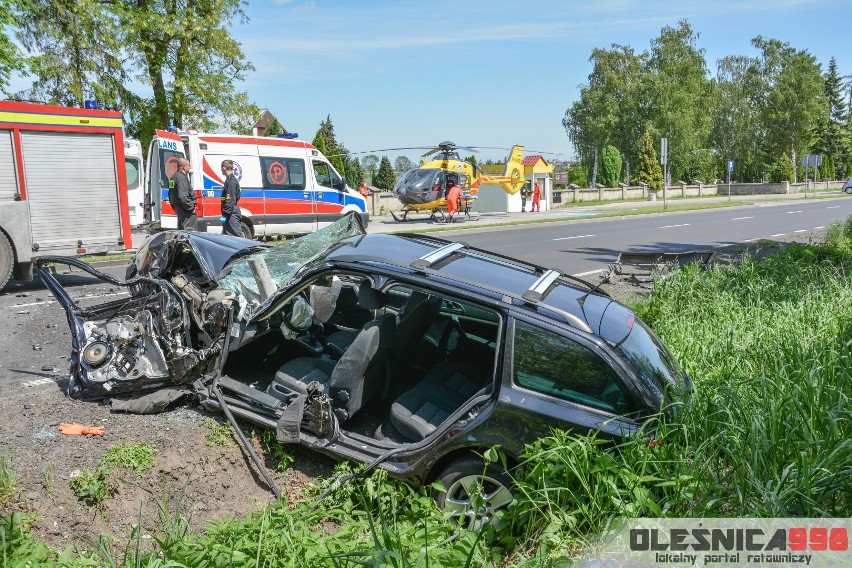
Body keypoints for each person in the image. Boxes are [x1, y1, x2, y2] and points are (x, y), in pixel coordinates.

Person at [169, 158, 197, 230]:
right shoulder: (181, 178)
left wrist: (175, 206)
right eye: (189, 165)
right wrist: (191, 207)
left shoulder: (173, 177)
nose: (190, 167)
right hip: (185, 210)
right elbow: (183, 196)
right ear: (184, 167)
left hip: (179, 208)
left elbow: (171, 194)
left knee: (181, 230)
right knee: (188, 231)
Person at [219, 159, 242, 237]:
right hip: (227, 212)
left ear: (224, 168)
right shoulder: (228, 180)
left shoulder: (232, 181)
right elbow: (224, 198)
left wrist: (225, 214)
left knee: (236, 236)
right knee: (226, 234)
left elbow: (230, 199)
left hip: (230, 212)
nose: (221, 170)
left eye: (221, 168)